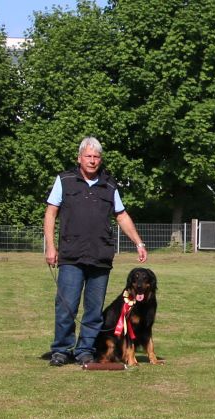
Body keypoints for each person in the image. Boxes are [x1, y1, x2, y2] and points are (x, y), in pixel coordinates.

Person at [44, 137, 147, 367]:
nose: (92, 161)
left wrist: (138, 242)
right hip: (71, 255)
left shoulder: (109, 185)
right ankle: (61, 349)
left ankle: (85, 350)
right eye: (88, 156)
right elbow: (51, 213)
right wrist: (51, 246)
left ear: (100, 160)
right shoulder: (65, 180)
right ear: (79, 158)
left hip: (100, 256)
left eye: (96, 157)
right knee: (66, 306)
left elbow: (121, 215)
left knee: (94, 310)